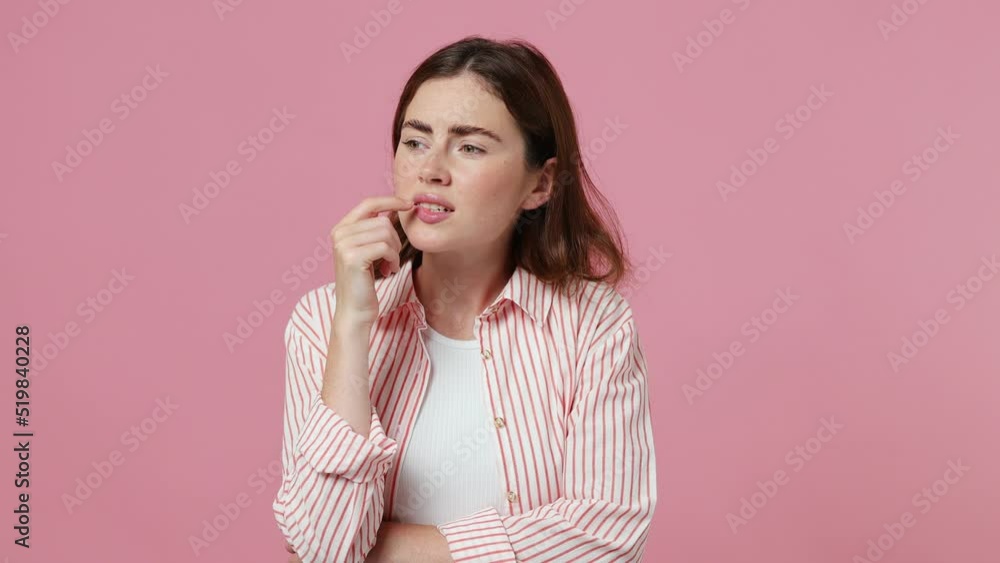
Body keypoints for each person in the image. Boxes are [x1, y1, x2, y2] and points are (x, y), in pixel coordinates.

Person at [274, 35, 657, 563]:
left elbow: (608, 536)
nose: (431, 169)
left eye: (470, 147)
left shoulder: (593, 324)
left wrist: (378, 550)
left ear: (540, 184)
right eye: (415, 141)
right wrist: (353, 324)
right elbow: (319, 547)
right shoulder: (323, 322)